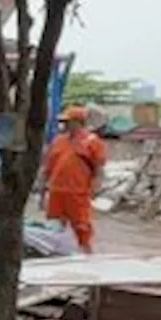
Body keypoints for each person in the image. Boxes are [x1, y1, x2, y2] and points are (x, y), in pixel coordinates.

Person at [43, 106, 107, 253]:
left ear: (78, 122)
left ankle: (86, 252)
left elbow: (99, 169)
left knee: (81, 226)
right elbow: (48, 166)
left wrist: (95, 188)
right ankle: (57, 252)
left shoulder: (93, 142)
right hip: (56, 191)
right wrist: (43, 188)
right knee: (54, 225)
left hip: (78, 191)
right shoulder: (59, 141)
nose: (64, 125)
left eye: (67, 122)